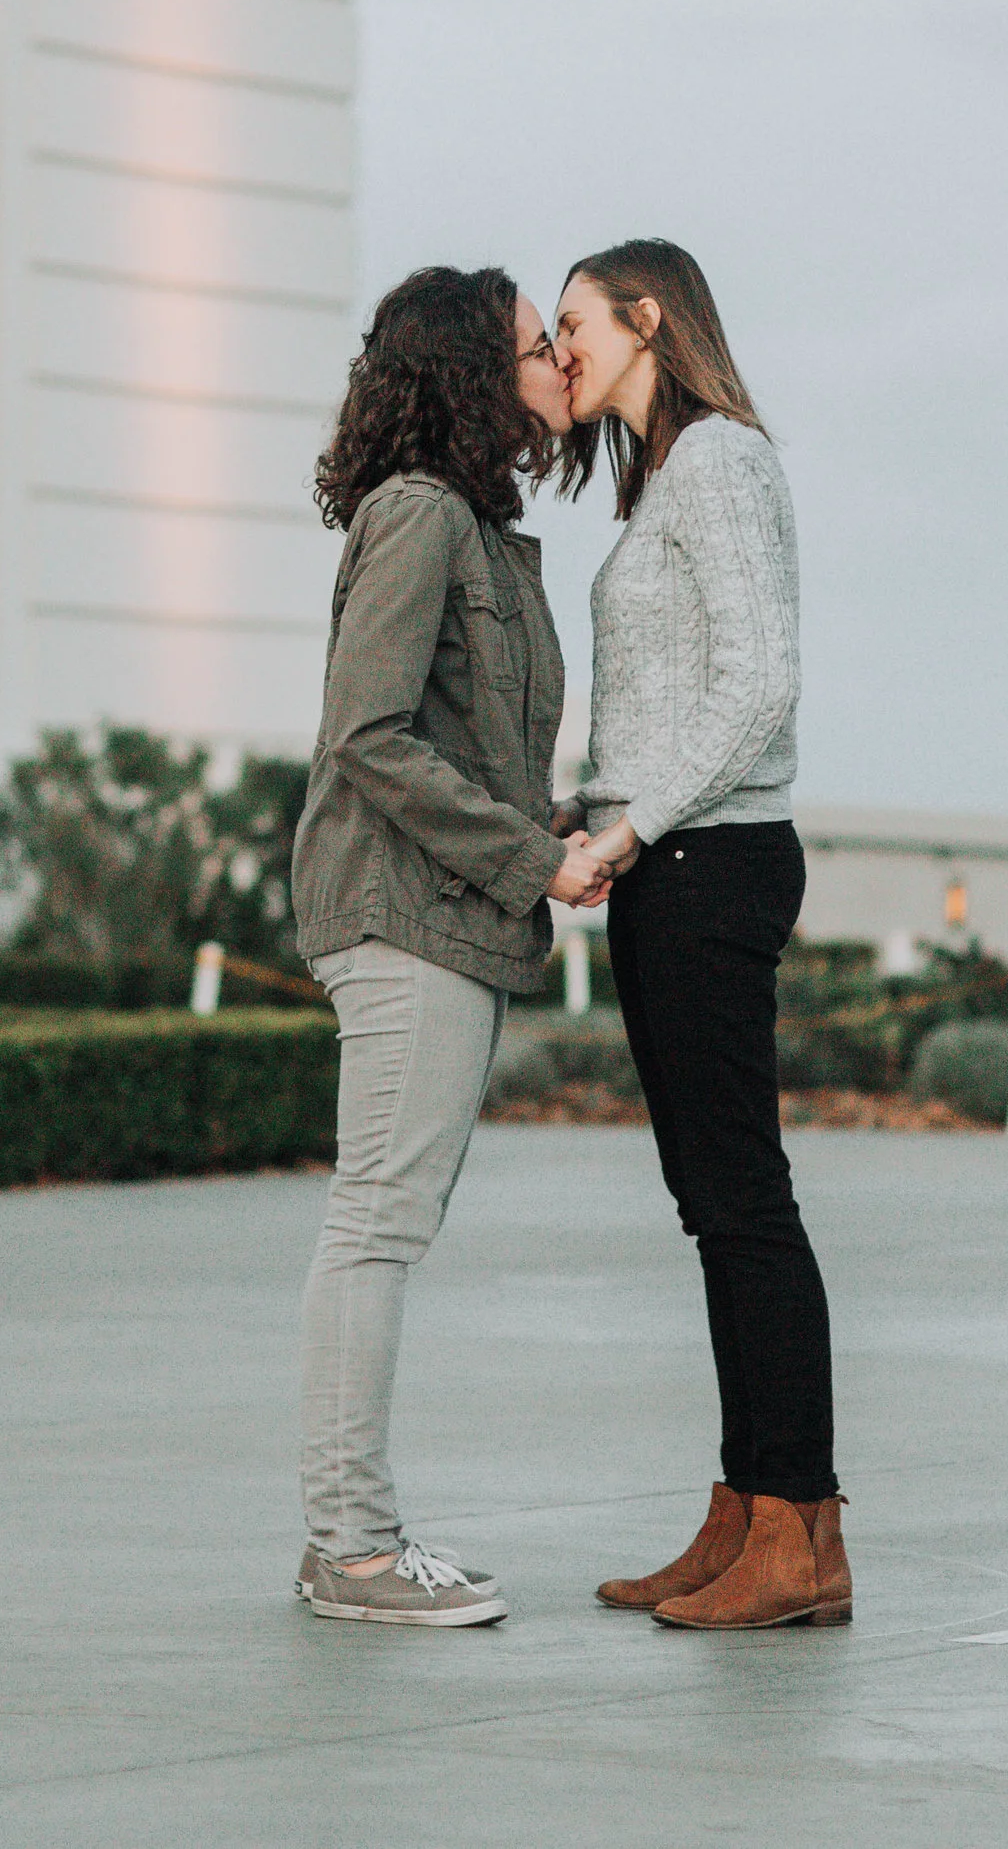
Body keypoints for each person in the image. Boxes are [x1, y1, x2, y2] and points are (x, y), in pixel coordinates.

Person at [290, 263, 605, 1628]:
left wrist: (556, 824)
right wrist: (536, 860)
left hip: (442, 913)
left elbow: (456, 738)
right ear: (476, 374)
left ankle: (348, 1543)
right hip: (402, 912)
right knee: (378, 1220)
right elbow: (368, 736)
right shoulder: (421, 513)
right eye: (537, 347)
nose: (559, 366)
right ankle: (353, 1549)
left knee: (384, 1218)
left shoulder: (471, 524)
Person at [559, 240, 850, 1631]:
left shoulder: (722, 461)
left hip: (709, 860)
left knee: (744, 1203)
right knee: (713, 1204)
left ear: (648, 317)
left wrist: (629, 827)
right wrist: (592, 816)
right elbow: (673, 700)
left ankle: (797, 1534)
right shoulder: (665, 477)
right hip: (670, 857)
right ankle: (749, 1515)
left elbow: (759, 683)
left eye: (574, 322)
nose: (560, 350)